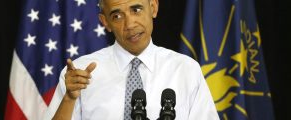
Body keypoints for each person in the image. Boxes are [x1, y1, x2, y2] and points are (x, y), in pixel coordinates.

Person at [45, 0, 219, 119]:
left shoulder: (185, 69)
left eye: (136, 10)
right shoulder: (79, 74)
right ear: (105, 22)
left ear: (153, 7)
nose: (129, 25)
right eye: (117, 16)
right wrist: (69, 99)